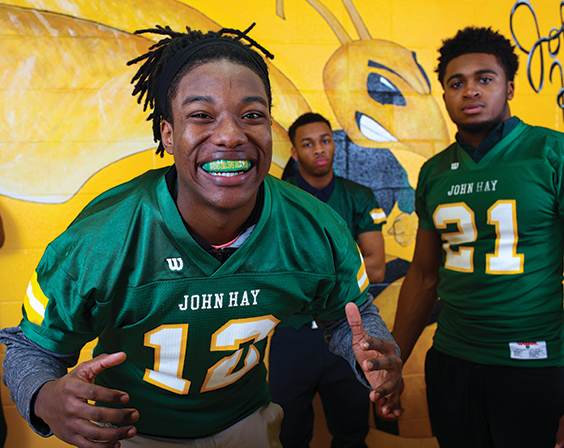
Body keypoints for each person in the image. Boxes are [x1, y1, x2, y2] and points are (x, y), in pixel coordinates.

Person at [0, 25, 402, 448]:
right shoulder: (102, 237)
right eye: (201, 115)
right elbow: (31, 349)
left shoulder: (314, 226)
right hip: (132, 432)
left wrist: (371, 355)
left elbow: (347, 316)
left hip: (246, 424)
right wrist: (44, 396)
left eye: (251, 115)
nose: (230, 135)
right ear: (167, 134)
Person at [391, 26, 564, 448]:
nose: (470, 90)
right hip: (452, 359)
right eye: (456, 83)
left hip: (536, 361)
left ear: (509, 87)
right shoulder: (433, 171)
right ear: (445, 95)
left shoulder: (551, 153)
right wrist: (393, 361)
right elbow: (424, 276)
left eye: (484, 78)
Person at [269, 112, 387, 447]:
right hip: (292, 334)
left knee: (351, 432)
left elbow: (376, 269)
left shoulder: (358, 195)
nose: (319, 149)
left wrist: (306, 273)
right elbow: (273, 276)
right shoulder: (277, 197)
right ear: (294, 152)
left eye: (325, 140)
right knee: (287, 433)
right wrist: (343, 269)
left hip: (348, 329)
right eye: (308, 143)